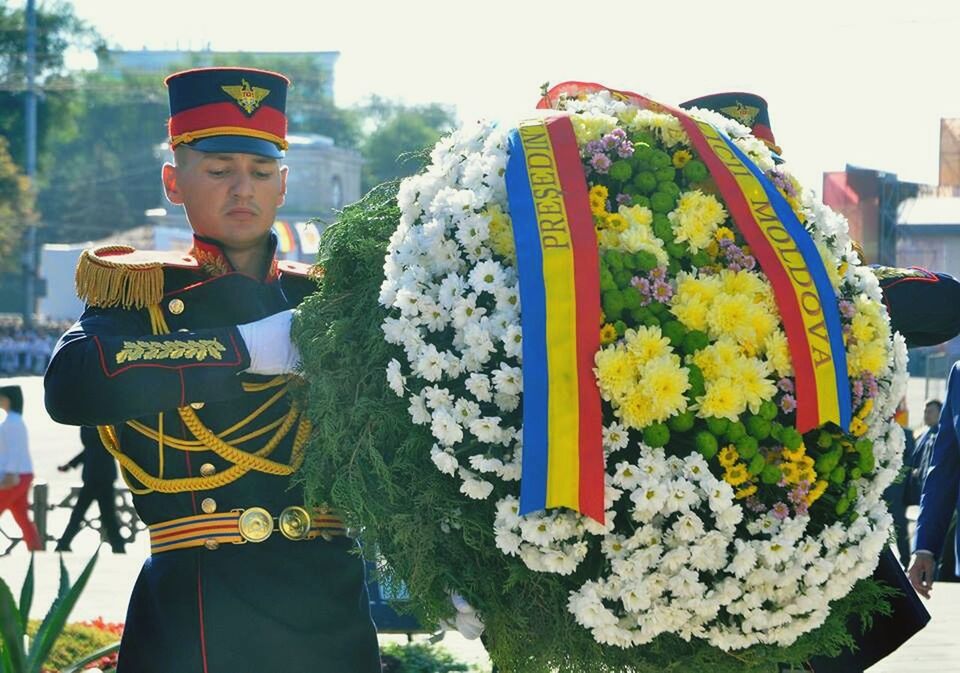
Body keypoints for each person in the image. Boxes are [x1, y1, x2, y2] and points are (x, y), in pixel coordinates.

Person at [44, 67, 379, 673]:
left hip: (330, 600)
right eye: (219, 171)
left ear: (283, 184)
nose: (241, 191)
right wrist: (245, 350)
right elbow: (73, 381)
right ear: (175, 182)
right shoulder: (139, 293)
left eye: (259, 173)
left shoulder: (329, 303)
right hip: (201, 607)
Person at [679, 91, 960, 673]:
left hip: (795, 559)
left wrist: (834, 286)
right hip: (685, 554)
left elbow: (943, 301)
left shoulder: (814, 278)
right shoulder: (656, 281)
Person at [55, 426, 126, 554]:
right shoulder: (93, 422)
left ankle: (63, 544)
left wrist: (71, 464)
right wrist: (71, 464)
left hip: (99, 477)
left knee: (86, 514)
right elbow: (90, 449)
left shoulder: (105, 423)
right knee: (104, 516)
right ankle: (118, 547)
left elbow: (99, 447)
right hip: (97, 476)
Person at [0, 384, 42, 551]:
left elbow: (16, 449)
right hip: (21, 474)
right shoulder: (13, 420)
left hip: (16, 475)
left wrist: (10, 474)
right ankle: (36, 549)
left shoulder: (13, 422)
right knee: (21, 516)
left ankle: (36, 549)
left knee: (20, 515)